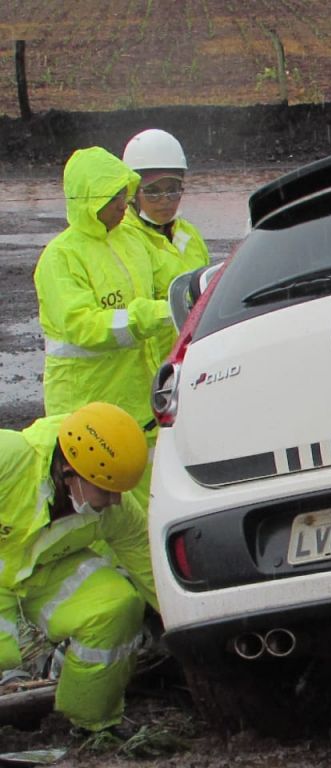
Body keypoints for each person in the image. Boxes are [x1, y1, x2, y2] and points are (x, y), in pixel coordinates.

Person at [0, 402, 157, 735]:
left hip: (35, 574)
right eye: (106, 490)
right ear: (70, 472)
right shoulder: (9, 459)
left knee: (116, 606)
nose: (115, 501)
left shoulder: (115, 512)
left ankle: (93, 722)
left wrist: (191, 629)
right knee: (3, 653)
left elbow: (150, 569)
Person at [34, 146, 172, 431]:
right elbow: (84, 326)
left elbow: (168, 277)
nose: (123, 205)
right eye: (113, 198)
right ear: (88, 202)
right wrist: (153, 315)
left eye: (124, 194)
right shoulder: (61, 257)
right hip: (85, 414)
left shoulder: (131, 241)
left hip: (139, 406)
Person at [121, 128, 210, 369]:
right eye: (153, 191)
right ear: (132, 192)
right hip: (147, 371)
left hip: (189, 363)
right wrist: (176, 309)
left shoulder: (189, 234)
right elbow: (131, 314)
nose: (165, 201)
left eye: (173, 189)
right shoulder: (123, 241)